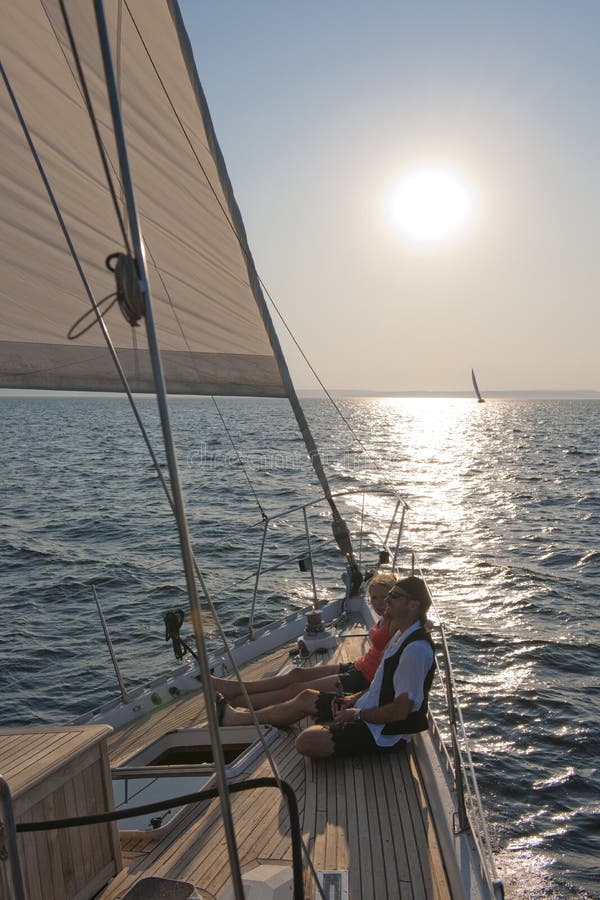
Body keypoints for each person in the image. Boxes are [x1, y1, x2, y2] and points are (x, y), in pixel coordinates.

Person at [217, 575, 435, 760]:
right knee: (305, 696)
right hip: (367, 707)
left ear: (413, 605)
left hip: (385, 733)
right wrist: (354, 699)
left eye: (394, 596)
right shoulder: (400, 636)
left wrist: (357, 715)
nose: (386, 599)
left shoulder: (414, 650)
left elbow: (400, 711)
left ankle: (240, 704)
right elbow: (381, 684)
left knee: (306, 741)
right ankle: (237, 718)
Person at [211, 572, 399, 710]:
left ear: (395, 597)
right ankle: (235, 687)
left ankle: (236, 701)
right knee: (297, 673)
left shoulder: (397, 623)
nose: (378, 603)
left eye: (385, 597)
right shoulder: (386, 616)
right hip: (358, 667)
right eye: (374, 597)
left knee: (296, 689)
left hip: (362, 679)